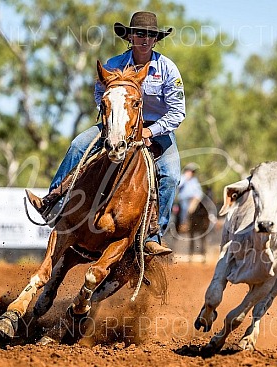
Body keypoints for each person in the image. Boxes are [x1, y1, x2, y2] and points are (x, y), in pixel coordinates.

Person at [25, 11, 185, 256]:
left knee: (171, 175)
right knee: (79, 144)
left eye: (150, 35)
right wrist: (112, 115)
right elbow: (99, 93)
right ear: (130, 36)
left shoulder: (167, 70)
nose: (144, 38)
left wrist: (149, 131)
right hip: (117, 124)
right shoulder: (112, 65)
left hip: (156, 129)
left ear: (156, 40)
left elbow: (177, 112)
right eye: (140, 33)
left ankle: (152, 235)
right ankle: (52, 201)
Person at [176, 162, 203, 232]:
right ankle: (183, 223)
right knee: (184, 207)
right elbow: (178, 186)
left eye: (192, 171)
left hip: (193, 199)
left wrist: (198, 197)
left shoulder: (194, 180)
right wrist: (185, 178)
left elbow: (199, 191)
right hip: (183, 198)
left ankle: (200, 223)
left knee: (202, 207)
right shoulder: (182, 178)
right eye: (190, 171)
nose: (191, 173)